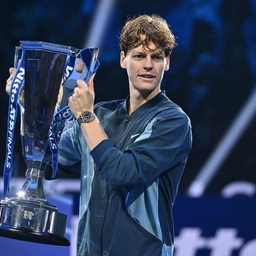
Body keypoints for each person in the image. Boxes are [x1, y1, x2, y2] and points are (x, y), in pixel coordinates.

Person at [6, 14, 192, 256]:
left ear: (167, 62)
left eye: (156, 57)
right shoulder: (102, 114)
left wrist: (85, 115)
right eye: (139, 55)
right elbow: (49, 164)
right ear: (123, 60)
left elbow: (124, 175)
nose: (148, 65)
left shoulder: (172, 121)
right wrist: (30, 110)